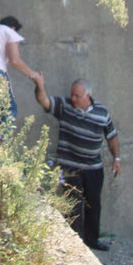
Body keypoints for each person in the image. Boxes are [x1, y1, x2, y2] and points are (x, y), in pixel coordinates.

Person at [34, 74, 121, 251]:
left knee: (93, 205)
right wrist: (40, 85)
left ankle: (92, 240)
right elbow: (43, 100)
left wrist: (116, 159)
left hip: (93, 168)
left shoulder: (102, 113)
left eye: (77, 96)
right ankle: (75, 244)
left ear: (87, 96)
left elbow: (111, 137)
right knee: (72, 205)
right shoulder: (64, 107)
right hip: (69, 166)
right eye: (72, 95)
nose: (72, 98)